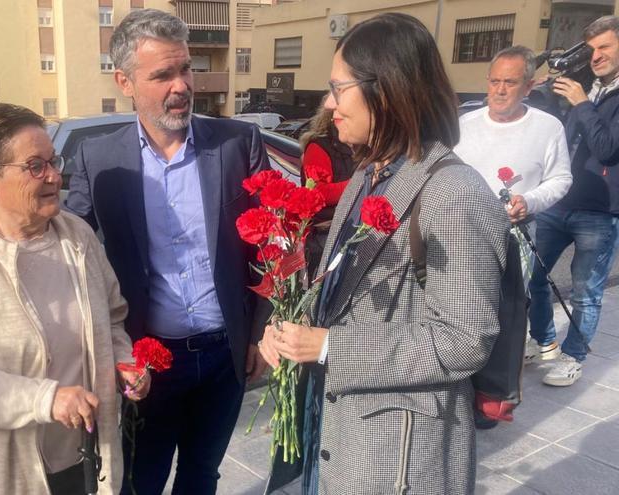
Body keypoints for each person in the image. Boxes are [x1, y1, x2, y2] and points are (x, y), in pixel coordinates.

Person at [258, 13, 508, 494]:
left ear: (387, 91)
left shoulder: (453, 193)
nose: (328, 104)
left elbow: (466, 339)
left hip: (396, 456)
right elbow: (338, 291)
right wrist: (289, 333)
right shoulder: (368, 175)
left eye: (338, 88)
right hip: (336, 432)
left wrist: (330, 347)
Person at [64, 9, 270, 494]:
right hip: (150, 363)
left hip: (226, 356)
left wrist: (260, 330)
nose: (181, 86)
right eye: (162, 75)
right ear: (125, 81)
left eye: (186, 69)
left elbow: (270, 246)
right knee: (143, 479)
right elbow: (63, 237)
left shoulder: (238, 143)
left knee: (202, 475)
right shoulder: (100, 159)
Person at [0, 103, 148, 495]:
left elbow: (113, 316)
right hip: (0, 477)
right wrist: (47, 398)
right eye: (35, 166)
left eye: (53, 161)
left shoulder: (78, 237)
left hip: (84, 461)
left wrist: (126, 364)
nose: (54, 175)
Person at [454, 46, 573, 412]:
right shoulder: (463, 126)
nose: (500, 90)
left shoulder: (547, 127)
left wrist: (530, 200)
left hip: (515, 236)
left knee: (503, 316)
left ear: (529, 86)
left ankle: (492, 397)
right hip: (465, 233)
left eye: (510, 82)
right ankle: (458, 388)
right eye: (494, 81)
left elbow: (561, 178)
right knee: (460, 310)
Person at [528, 15, 619, 386]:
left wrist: (582, 103)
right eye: (592, 49)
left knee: (585, 291)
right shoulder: (587, 88)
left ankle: (574, 355)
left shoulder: (594, 97)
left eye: (605, 47)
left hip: (599, 211)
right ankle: (544, 341)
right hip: (559, 201)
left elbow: (607, 149)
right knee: (533, 278)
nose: (596, 56)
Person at [298, 101, 354, 280]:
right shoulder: (319, 146)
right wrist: (360, 183)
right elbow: (318, 194)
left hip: (351, 228)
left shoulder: (359, 146)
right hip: (326, 233)